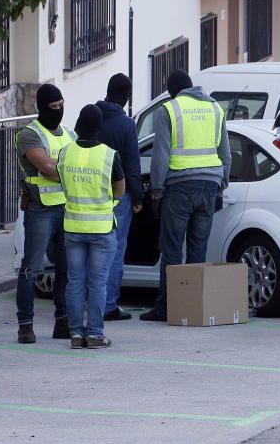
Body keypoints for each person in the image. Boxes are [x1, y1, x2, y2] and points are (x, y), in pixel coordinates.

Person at [140, 71, 231, 322]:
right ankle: (193, 307)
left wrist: (156, 190)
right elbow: (226, 153)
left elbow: (161, 155)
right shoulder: (215, 109)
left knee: (171, 249)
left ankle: (166, 307)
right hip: (210, 186)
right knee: (197, 250)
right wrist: (221, 185)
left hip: (179, 186)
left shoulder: (169, 109)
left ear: (172, 91)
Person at [58, 105, 125, 349]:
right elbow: (120, 190)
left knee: (75, 281)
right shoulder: (109, 155)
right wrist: (107, 204)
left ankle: (76, 335)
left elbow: (64, 185)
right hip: (101, 229)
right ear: (99, 127)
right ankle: (95, 334)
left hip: (73, 226)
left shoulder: (65, 154)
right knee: (97, 282)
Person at [15, 84, 75, 344]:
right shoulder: (29, 134)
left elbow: (59, 166)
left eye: (61, 105)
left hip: (67, 206)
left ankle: (62, 322)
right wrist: (68, 166)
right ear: (42, 107)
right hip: (40, 208)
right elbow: (49, 169)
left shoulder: (70, 133)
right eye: (53, 107)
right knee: (32, 268)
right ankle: (25, 325)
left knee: (66, 269)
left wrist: (61, 166)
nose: (59, 110)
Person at [96, 73, 142, 322]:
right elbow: (132, 165)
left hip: (88, 193)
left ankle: (91, 301)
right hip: (117, 195)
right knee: (114, 248)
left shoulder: (91, 115)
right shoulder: (126, 125)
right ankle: (108, 305)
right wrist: (138, 197)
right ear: (125, 97)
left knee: (90, 249)